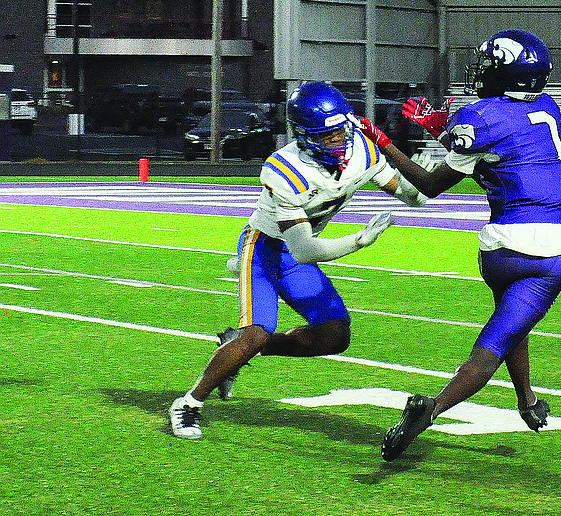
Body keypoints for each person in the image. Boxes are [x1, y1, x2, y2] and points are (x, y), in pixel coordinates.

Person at [358, 29, 561, 461]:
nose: (482, 73)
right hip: (555, 251)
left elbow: (428, 185)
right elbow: (510, 141)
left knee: (505, 330)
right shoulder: (549, 108)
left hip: (503, 250)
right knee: (498, 339)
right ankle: (441, 410)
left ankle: (508, 402)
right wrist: (448, 129)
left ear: (507, 72)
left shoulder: (479, 117)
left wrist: (385, 144)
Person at [169, 81, 428, 440]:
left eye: (342, 131)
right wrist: (358, 241)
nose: (339, 141)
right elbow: (305, 250)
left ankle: (237, 349)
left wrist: (419, 181)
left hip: (295, 252)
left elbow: (409, 194)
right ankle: (189, 404)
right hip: (264, 249)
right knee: (256, 332)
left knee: (335, 335)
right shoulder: (285, 168)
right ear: (304, 136)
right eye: (328, 135)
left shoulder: (363, 152)